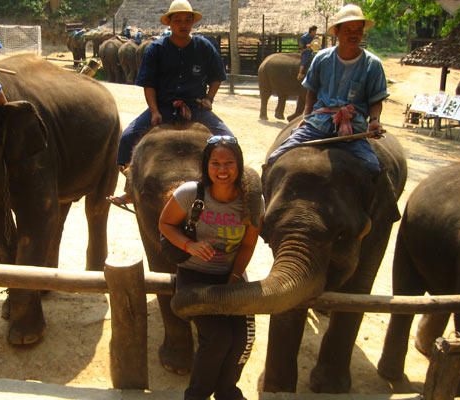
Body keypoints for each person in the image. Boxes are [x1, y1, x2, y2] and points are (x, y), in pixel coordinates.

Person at [159, 135, 262, 400]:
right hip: (195, 276)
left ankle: (227, 392)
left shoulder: (251, 202)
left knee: (242, 339)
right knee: (217, 338)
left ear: (238, 165)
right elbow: (165, 224)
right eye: (215, 163)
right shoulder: (191, 193)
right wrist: (188, 246)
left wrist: (236, 276)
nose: (222, 169)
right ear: (206, 165)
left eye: (229, 162)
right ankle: (196, 396)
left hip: (230, 275)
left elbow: (248, 246)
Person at [108, 0, 233, 207]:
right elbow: (148, 84)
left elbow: (217, 76)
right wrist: (155, 111)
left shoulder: (203, 46)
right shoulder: (156, 49)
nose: (183, 24)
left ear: (192, 22)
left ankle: (231, 189)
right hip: (164, 106)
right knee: (127, 137)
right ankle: (130, 188)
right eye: (178, 21)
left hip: (195, 107)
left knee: (229, 139)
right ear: (170, 23)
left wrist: (209, 98)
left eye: (187, 20)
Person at [268, 3, 388, 175]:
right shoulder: (322, 59)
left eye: (358, 31)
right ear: (337, 32)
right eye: (348, 30)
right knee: (276, 158)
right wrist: (306, 115)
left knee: (373, 169)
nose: (354, 35)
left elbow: (376, 100)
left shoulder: (373, 65)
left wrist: (374, 120)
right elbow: (312, 91)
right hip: (318, 124)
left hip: (353, 129)